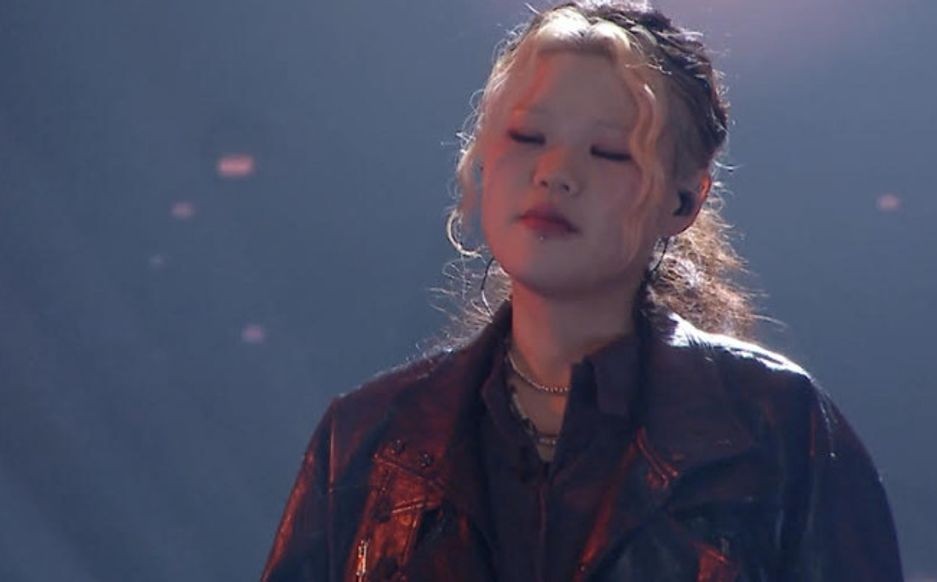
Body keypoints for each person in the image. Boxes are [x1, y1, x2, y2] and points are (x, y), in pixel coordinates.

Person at [260, 1, 904, 580]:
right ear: (483, 159)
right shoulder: (367, 439)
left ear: (684, 199)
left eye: (609, 151)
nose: (555, 173)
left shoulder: (778, 428)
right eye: (527, 137)